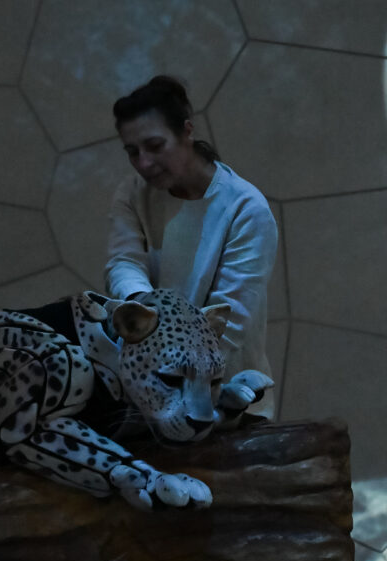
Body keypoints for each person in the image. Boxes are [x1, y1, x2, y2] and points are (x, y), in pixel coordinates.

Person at [105, 75, 277, 417]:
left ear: (186, 131)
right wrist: (144, 309)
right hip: (152, 394)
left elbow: (228, 322)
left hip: (225, 398)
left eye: (155, 146)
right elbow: (124, 262)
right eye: (133, 152)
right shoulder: (132, 193)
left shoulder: (246, 208)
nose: (144, 163)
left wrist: (158, 339)